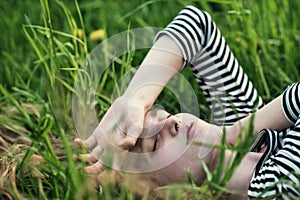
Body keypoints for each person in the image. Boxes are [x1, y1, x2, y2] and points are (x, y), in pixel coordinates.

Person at [75, 5, 299, 199]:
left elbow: (197, 25)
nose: (171, 124)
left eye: (161, 115)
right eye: (154, 144)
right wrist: (237, 131)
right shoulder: (275, 187)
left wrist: (136, 99)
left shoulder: (243, 138)